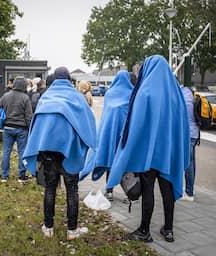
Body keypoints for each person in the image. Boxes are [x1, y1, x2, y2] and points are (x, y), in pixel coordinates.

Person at [106, 55, 190, 243]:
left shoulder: (145, 92)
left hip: (148, 153)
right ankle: (168, 230)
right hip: (168, 152)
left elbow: (136, 125)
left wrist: (129, 151)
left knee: (148, 190)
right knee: (168, 189)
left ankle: (145, 230)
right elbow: (182, 124)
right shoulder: (175, 93)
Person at [23, 67, 96, 240]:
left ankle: (48, 228)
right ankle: (72, 230)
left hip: (48, 152)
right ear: (69, 79)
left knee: (50, 189)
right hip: (70, 152)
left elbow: (37, 124)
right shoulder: (77, 97)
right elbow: (88, 122)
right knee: (72, 191)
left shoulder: (46, 97)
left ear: (55, 79)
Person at [80, 70, 134, 202]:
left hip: (110, 133)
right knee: (125, 163)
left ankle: (109, 191)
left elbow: (107, 115)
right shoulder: (132, 93)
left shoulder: (110, 93)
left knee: (110, 161)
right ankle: (130, 193)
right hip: (126, 134)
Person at [0, 77, 33, 182]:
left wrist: (2, 117)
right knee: (22, 152)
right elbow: (29, 116)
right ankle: (21, 176)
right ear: (24, 85)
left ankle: (4, 175)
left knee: (6, 151)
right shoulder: (25, 98)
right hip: (22, 129)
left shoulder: (6, 95)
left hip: (8, 127)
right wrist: (31, 129)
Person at [180, 84, 200, 202]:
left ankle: (189, 193)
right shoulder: (188, 91)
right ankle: (191, 188)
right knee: (192, 162)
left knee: (188, 163)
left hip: (188, 134)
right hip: (195, 133)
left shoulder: (180, 94)